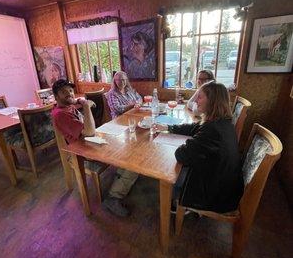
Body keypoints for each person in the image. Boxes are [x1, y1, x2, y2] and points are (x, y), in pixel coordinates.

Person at [51, 79, 136, 217]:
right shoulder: (60, 114)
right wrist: (85, 104)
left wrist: (78, 100)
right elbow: (89, 131)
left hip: (91, 141)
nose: (69, 93)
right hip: (84, 150)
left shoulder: (66, 106)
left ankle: (122, 176)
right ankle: (114, 197)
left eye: (71, 90)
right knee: (133, 159)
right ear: (56, 97)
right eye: (63, 92)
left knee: (127, 143)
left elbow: (88, 129)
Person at [157, 81, 243, 213]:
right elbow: (194, 128)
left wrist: (186, 143)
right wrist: (169, 127)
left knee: (170, 171)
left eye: (200, 96)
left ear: (212, 101)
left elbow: (181, 154)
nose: (196, 100)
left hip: (216, 195)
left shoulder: (212, 129)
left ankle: (176, 202)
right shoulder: (222, 122)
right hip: (225, 184)